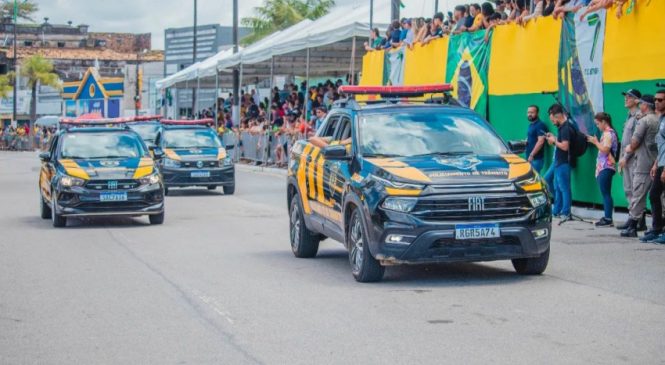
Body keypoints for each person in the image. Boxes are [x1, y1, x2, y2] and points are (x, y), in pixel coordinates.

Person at [621, 95, 659, 238]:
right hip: (656, 161)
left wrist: (629, 149)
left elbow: (634, 142)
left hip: (643, 163)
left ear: (645, 105)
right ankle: (657, 226)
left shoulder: (644, 121)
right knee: (658, 196)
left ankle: (633, 225)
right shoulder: (658, 119)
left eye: (641, 103)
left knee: (637, 194)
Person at [616, 89, 643, 231]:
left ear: (637, 100)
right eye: (625, 96)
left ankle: (637, 220)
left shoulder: (639, 116)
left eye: (629, 97)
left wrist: (625, 157)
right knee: (628, 189)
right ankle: (634, 218)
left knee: (634, 190)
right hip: (626, 159)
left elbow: (635, 141)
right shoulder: (629, 117)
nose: (626, 99)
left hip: (633, 159)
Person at [587, 112, 618, 227]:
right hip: (603, 167)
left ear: (604, 122)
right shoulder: (606, 133)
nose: (597, 126)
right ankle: (607, 216)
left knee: (606, 193)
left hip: (606, 166)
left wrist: (595, 142)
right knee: (605, 193)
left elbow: (605, 150)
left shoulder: (608, 134)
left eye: (598, 123)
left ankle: (608, 218)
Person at [643, 90, 665, 243]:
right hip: (661, 163)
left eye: (660, 100)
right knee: (654, 195)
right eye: (655, 99)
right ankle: (657, 229)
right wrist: (656, 164)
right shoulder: (661, 119)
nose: (656, 102)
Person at [545, 104, 572, 222]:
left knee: (564, 188)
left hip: (563, 162)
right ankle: (557, 210)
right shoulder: (562, 127)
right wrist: (554, 138)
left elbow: (565, 146)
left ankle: (566, 212)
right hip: (559, 161)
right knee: (557, 187)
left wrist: (554, 141)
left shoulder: (566, 128)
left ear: (558, 116)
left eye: (553, 120)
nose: (552, 122)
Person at [525, 105, 549, 173]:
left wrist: (532, 154)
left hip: (536, 159)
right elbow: (532, 137)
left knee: (535, 180)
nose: (529, 114)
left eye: (532, 112)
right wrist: (526, 141)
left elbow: (541, 141)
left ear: (537, 113)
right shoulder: (531, 125)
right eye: (528, 112)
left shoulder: (540, 125)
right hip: (530, 158)